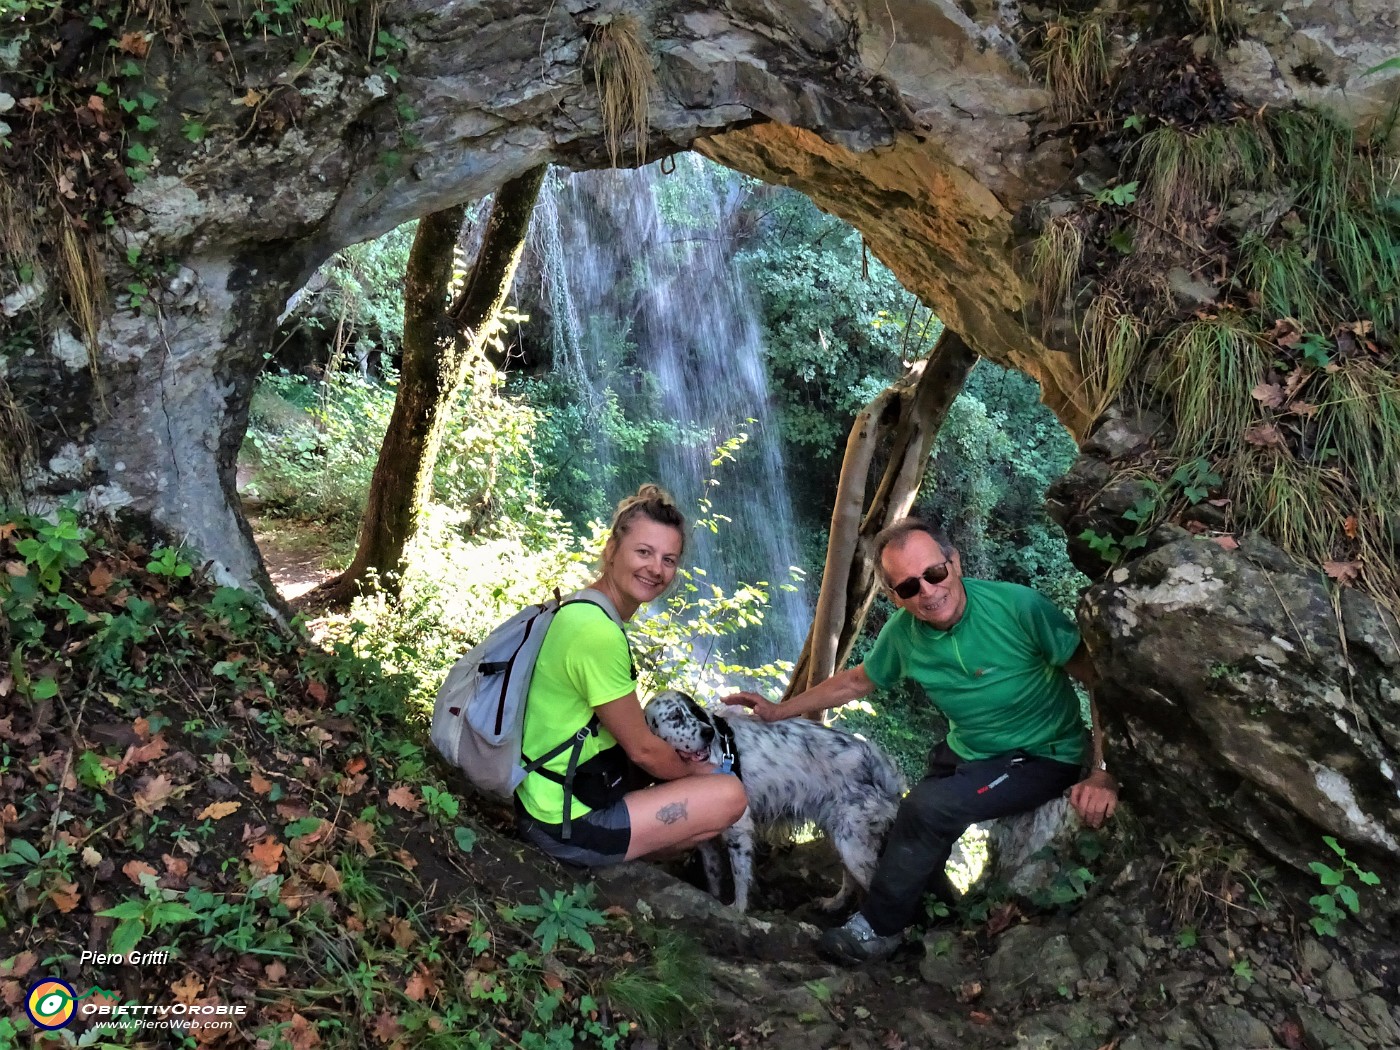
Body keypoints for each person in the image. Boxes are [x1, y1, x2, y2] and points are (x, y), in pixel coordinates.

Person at [728, 517, 1117, 963]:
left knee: (926, 809)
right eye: (909, 587)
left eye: (935, 574)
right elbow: (856, 682)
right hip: (968, 749)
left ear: (954, 561)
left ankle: (879, 929)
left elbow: (1098, 675)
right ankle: (937, 915)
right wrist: (779, 710)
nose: (929, 592)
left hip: (1040, 753)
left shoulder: (1018, 607)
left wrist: (1104, 772)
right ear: (894, 596)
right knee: (907, 818)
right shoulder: (904, 635)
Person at [516, 484, 749, 867]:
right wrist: (697, 775)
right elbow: (641, 749)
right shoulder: (598, 634)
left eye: (669, 559)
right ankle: (619, 861)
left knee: (693, 775)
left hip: (549, 792)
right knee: (729, 796)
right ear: (612, 550)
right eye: (644, 552)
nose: (656, 569)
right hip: (565, 821)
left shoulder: (582, 607)